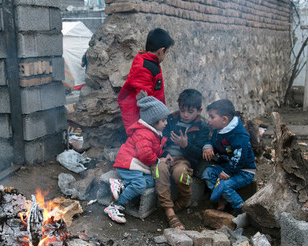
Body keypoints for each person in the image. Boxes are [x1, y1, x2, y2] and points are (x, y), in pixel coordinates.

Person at [105, 93, 169, 224]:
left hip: (137, 165)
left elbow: (154, 149)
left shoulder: (153, 133)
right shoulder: (144, 134)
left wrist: (163, 154)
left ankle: (121, 184)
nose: (166, 123)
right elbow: (145, 154)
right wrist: (158, 161)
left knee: (151, 181)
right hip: (128, 164)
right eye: (163, 120)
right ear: (153, 121)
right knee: (139, 185)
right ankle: (115, 206)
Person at [154, 89, 209, 230]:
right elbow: (160, 139)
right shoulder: (170, 119)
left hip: (184, 160)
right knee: (159, 171)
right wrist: (165, 153)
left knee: (180, 174)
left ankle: (185, 200)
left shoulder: (202, 128)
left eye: (190, 112)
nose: (185, 115)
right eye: (182, 110)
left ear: (199, 110)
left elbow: (198, 154)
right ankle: (169, 210)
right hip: (165, 157)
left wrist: (185, 145)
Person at [201, 99, 256, 212]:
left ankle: (242, 210)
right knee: (207, 173)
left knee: (225, 186)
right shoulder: (218, 130)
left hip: (243, 171)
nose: (209, 120)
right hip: (227, 166)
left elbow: (239, 158)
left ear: (224, 119)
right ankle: (222, 198)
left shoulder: (239, 135)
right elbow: (211, 140)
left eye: (212, 117)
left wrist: (228, 172)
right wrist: (208, 146)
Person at [117, 28, 174, 136]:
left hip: (152, 118)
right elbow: (145, 100)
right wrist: (156, 122)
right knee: (142, 145)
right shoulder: (144, 67)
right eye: (166, 52)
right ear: (161, 51)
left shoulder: (151, 62)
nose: (165, 55)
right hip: (142, 118)